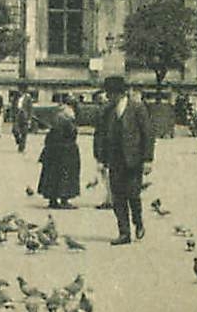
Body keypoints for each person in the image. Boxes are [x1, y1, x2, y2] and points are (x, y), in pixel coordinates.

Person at [92, 75, 154, 245]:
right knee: (118, 197)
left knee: (133, 194)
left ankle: (138, 222)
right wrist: (100, 158)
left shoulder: (137, 108)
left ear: (119, 93)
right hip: (115, 160)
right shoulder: (106, 111)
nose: (108, 97)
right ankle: (124, 233)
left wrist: (148, 159)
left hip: (134, 160)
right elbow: (100, 136)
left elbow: (148, 134)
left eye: (110, 93)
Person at [38, 99, 82, 208]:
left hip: (52, 151)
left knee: (52, 175)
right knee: (65, 176)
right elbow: (71, 134)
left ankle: (52, 199)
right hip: (66, 152)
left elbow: (50, 136)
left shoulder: (57, 116)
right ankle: (64, 199)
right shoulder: (68, 118)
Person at [12, 87, 32, 154]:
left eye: (20, 91)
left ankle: (21, 148)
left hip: (25, 116)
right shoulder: (16, 98)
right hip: (17, 115)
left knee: (24, 133)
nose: (19, 92)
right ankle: (18, 140)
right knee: (14, 130)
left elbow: (30, 109)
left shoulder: (28, 98)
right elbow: (13, 106)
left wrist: (29, 119)